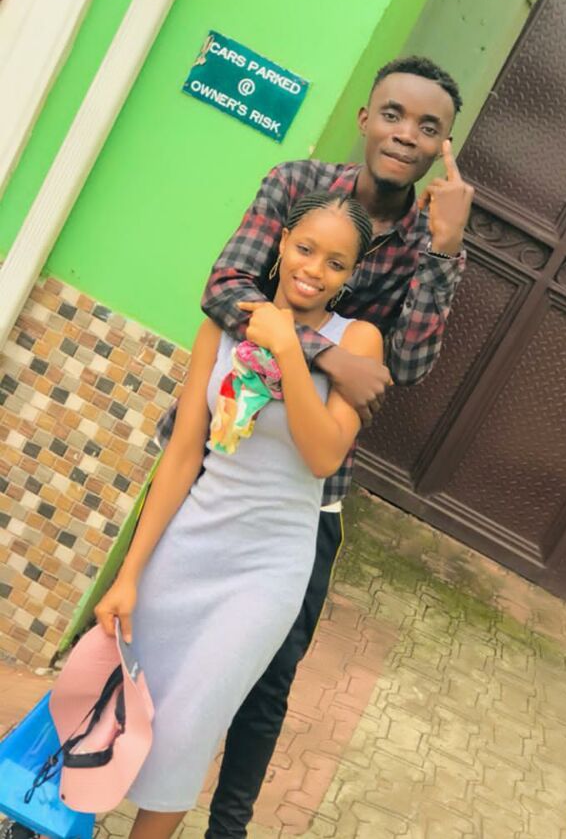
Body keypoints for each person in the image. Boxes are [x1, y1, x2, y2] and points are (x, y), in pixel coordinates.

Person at [155, 55, 474, 839]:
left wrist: (444, 249)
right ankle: (68, 789)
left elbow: (404, 366)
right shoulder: (296, 185)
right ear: (365, 118)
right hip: (213, 452)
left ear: (442, 145)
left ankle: (226, 827)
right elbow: (226, 288)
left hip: (306, 484)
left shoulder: (429, 239)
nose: (405, 134)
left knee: (269, 675)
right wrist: (327, 354)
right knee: (140, 630)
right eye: (393, 114)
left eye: (427, 126)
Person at [93, 192, 383, 839]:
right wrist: (129, 574)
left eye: (336, 263)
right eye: (305, 248)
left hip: (267, 569)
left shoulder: (357, 342)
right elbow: (182, 456)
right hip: (188, 545)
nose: (314, 269)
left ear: (351, 274)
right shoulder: (224, 325)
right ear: (281, 243)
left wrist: (290, 349)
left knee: (188, 729)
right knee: (115, 710)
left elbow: (323, 455)